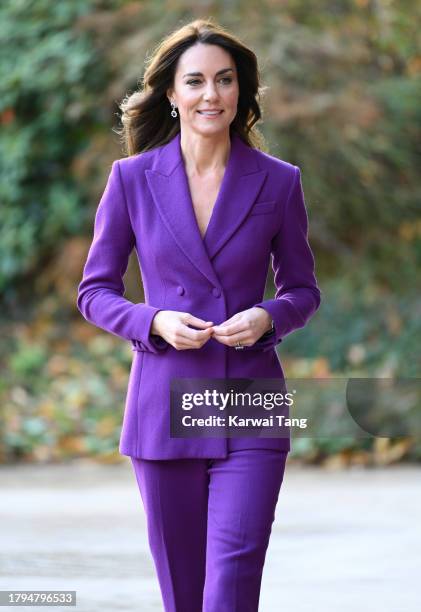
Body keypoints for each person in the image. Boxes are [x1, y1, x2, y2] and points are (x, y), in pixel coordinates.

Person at [77, 18, 321, 612]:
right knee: (184, 596)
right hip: (165, 403)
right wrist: (153, 322)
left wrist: (268, 317)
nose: (211, 94)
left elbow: (303, 291)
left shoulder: (279, 182)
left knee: (231, 586)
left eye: (225, 80)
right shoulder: (132, 180)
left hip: (250, 401)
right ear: (172, 94)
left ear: (241, 92)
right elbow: (95, 291)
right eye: (196, 81)